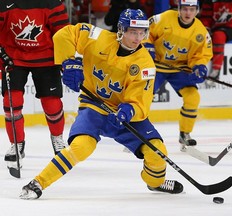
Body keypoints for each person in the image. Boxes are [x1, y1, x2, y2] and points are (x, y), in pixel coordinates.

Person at [19, 9, 184, 199]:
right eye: (133, 32)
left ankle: (156, 183)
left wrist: (129, 110)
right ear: (121, 30)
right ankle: (38, 182)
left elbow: (141, 102)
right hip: (94, 106)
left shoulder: (145, 64)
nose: (138, 38)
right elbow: (65, 34)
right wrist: (69, 61)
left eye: (141, 33)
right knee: (81, 147)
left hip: (123, 115)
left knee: (157, 151)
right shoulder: (98, 37)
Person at [0, 0, 69, 170]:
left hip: (47, 58)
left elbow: (63, 33)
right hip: (14, 57)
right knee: (11, 102)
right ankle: (16, 144)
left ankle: (57, 138)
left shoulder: (52, 3)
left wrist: (65, 60)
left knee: (51, 103)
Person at [144, 0, 213, 152]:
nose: (188, 13)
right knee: (142, 97)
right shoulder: (164, 18)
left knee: (193, 97)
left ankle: (185, 134)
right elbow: (144, 30)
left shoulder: (200, 31)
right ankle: (136, 133)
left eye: (192, 9)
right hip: (156, 67)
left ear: (197, 10)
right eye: (185, 9)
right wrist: (148, 45)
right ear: (179, 9)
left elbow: (201, 54)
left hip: (179, 70)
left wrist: (199, 66)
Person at [199, 0, 232, 86]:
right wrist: (205, 27)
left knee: (219, 35)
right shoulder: (209, 1)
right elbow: (206, 16)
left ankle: (216, 71)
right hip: (214, 28)